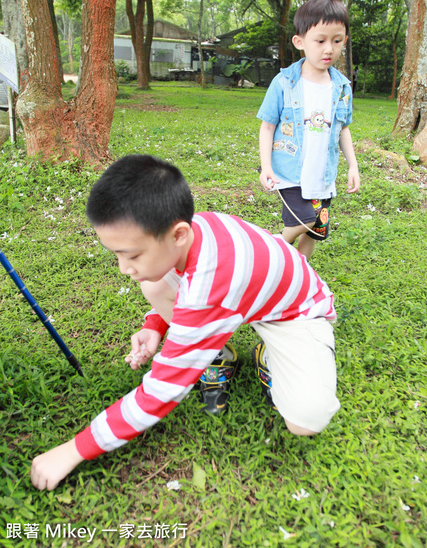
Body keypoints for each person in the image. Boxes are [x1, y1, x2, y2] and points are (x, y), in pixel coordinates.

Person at [31, 154, 340, 491]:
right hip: (248, 295)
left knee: (306, 420)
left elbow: (162, 391)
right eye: (116, 254)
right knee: (151, 278)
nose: (123, 267)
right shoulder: (192, 229)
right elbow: (177, 279)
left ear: (178, 234)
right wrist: (155, 325)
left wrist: (73, 450)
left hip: (294, 313)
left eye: (132, 254)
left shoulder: (210, 286)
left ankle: (269, 357)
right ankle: (215, 353)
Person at [258, 0, 360, 260]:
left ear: (344, 41)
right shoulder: (284, 83)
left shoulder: (342, 88)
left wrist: (353, 165)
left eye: (337, 41)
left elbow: (343, 129)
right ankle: (270, 253)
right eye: (320, 40)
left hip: (323, 175)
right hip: (289, 173)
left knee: (314, 230)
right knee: (302, 220)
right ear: (299, 42)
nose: (329, 49)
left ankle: (299, 272)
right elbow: (267, 127)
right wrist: (266, 166)